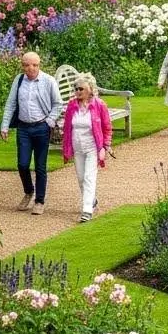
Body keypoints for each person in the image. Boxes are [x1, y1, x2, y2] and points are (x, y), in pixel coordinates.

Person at [0, 51, 63, 215]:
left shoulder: (48, 81)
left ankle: (39, 201)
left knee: (40, 166)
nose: (30, 68)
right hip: (24, 128)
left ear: (39, 65)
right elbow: (11, 103)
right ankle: (29, 191)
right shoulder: (19, 80)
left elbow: (57, 104)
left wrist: (49, 121)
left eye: (34, 65)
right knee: (22, 164)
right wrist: (4, 125)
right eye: (27, 65)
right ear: (23, 66)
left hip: (42, 127)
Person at [61, 73, 113, 223]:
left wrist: (106, 145)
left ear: (90, 89)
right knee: (81, 178)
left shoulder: (99, 105)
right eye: (76, 89)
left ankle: (87, 210)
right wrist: (66, 145)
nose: (78, 91)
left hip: (92, 147)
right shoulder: (72, 106)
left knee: (89, 177)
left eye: (81, 89)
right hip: (78, 147)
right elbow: (67, 127)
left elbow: (107, 127)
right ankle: (92, 200)